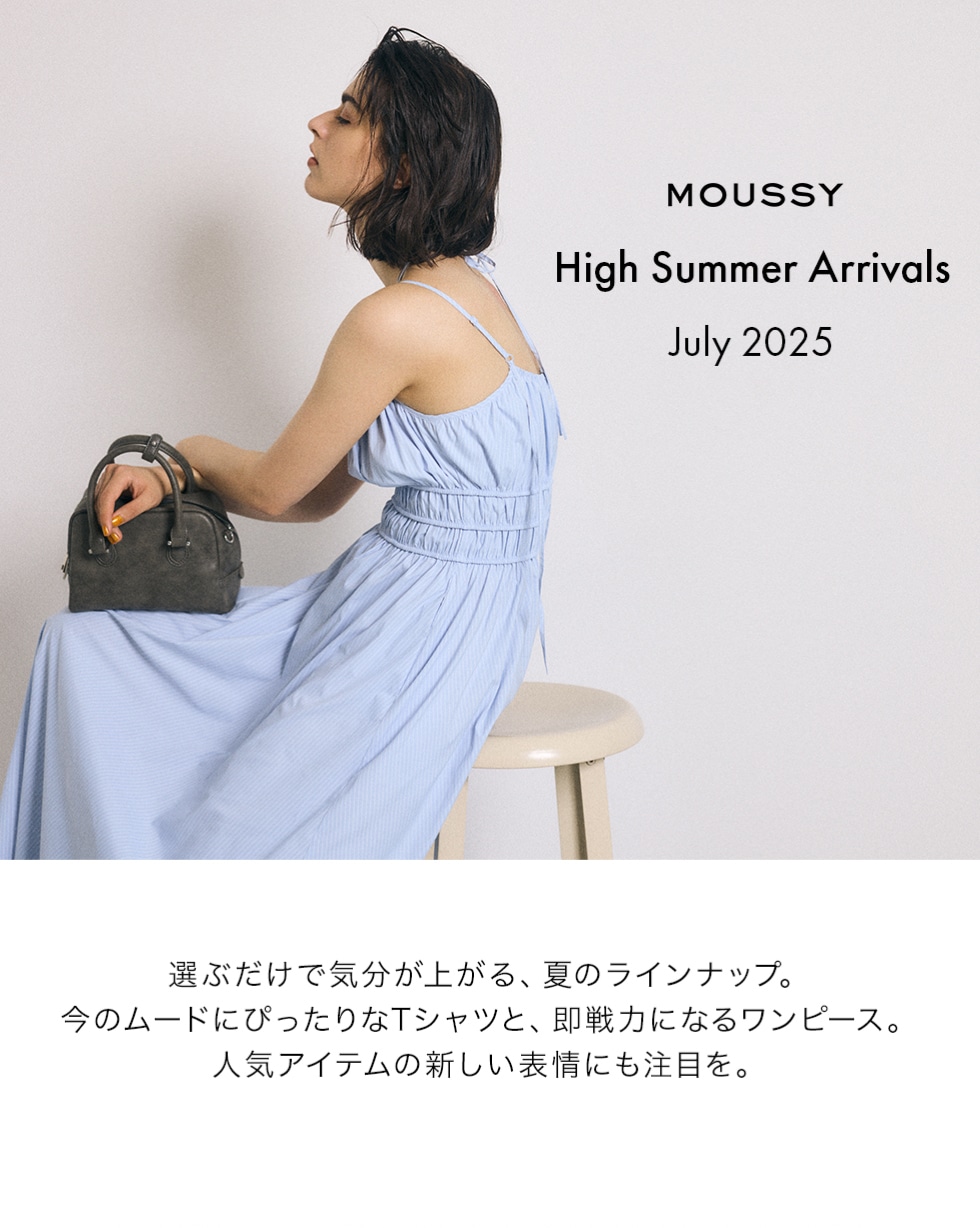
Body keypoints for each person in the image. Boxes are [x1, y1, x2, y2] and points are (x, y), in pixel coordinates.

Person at [0, 28, 561, 860]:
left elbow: (271, 491)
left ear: (402, 167)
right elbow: (317, 495)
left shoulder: (396, 321)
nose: (317, 124)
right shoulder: (467, 292)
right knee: (84, 650)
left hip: (420, 629)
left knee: (227, 834)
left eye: (348, 115)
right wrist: (181, 471)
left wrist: (182, 455)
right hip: (431, 604)